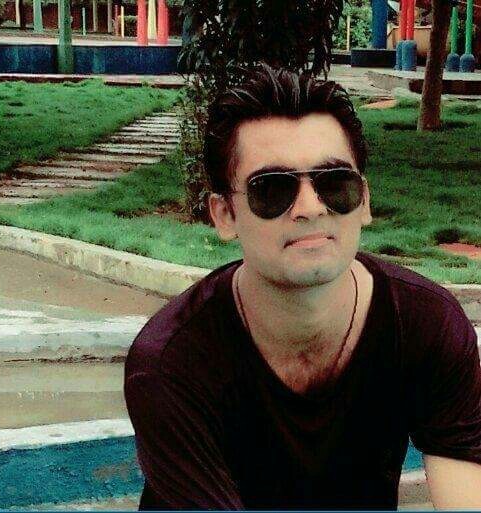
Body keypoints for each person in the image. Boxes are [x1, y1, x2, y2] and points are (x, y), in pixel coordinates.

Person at [124, 64, 481, 510]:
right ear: (224, 216)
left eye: (335, 183)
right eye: (272, 189)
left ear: (364, 201)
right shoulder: (173, 363)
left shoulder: (426, 326)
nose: (311, 207)